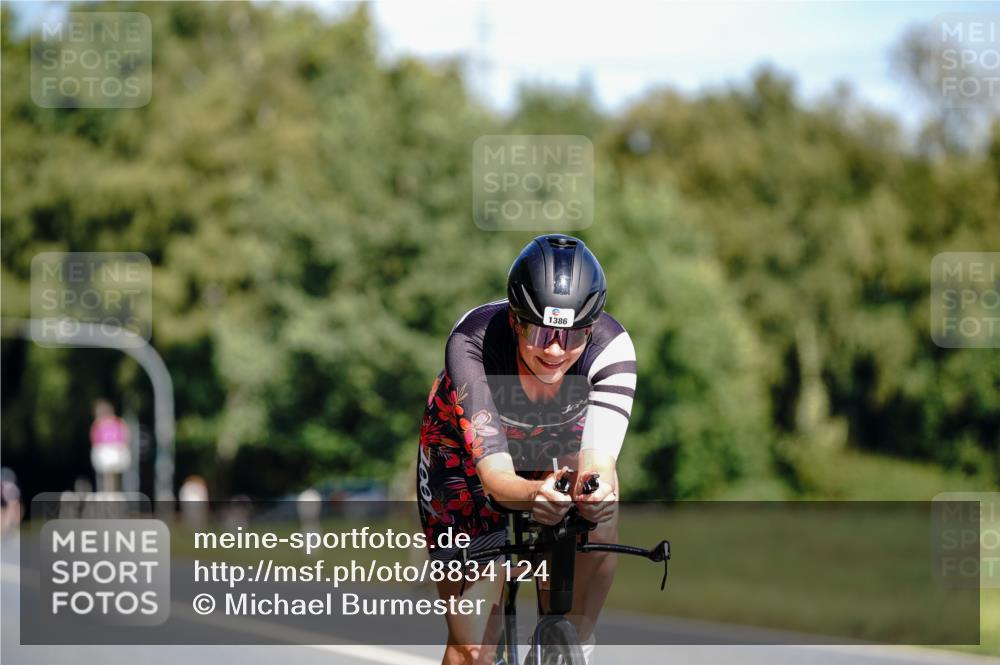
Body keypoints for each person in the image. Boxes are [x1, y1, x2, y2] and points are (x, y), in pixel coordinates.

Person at [416, 234, 636, 665]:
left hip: (555, 444)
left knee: (600, 509)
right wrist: (535, 496)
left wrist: (593, 495)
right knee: (473, 648)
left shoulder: (613, 348)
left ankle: (574, 641)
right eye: (540, 331)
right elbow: (496, 478)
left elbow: (598, 461)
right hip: (464, 455)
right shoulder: (472, 341)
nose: (555, 349)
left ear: (591, 329)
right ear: (516, 321)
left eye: (572, 336)